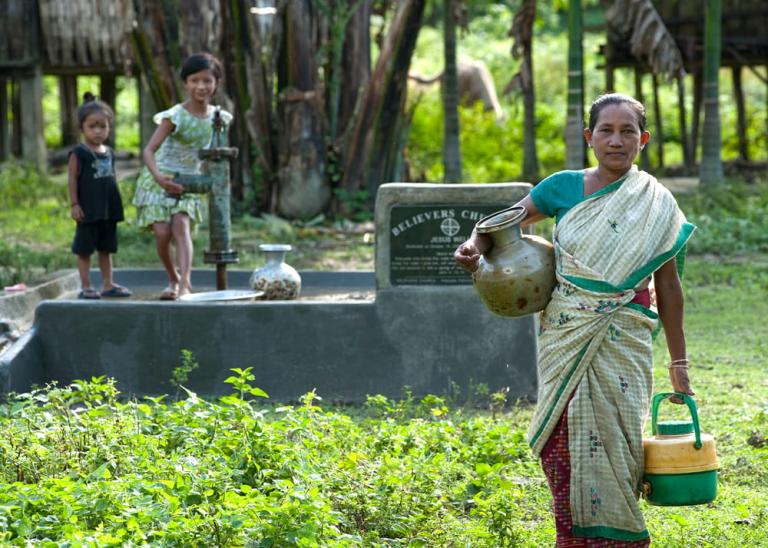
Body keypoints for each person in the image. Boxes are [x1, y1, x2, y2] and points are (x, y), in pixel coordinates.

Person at [455, 93, 695, 546]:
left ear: (643, 140)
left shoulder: (657, 204)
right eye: (606, 130)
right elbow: (499, 227)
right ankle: (571, 539)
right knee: (560, 444)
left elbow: (669, 288)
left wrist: (679, 364)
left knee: (620, 451)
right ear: (589, 137)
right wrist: (473, 248)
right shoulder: (562, 187)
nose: (617, 141)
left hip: (625, 336)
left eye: (628, 132)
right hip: (565, 334)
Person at [132, 52, 232, 299]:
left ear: (216, 83)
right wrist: (158, 177)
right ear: (186, 83)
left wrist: (217, 181)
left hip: (190, 181)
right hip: (159, 178)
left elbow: (215, 154)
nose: (201, 86)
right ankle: (172, 278)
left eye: (207, 80)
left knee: (181, 224)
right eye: (195, 80)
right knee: (163, 233)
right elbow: (149, 150)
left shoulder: (220, 118)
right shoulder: (175, 115)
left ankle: (186, 283)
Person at [68, 92, 132, 300]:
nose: (98, 131)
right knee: (84, 250)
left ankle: (107, 284)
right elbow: (72, 179)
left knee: (106, 249)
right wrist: (75, 204)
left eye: (102, 126)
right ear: (82, 128)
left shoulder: (110, 152)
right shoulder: (79, 153)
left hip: (108, 210)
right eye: (92, 126)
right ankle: (86, 286)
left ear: (109, 127)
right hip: (88, 209)